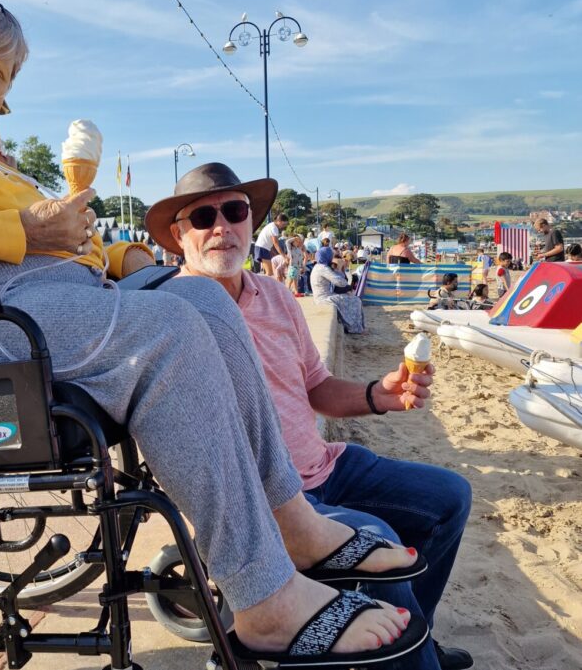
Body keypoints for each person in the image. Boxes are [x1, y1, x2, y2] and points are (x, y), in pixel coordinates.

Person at [0, 0, 417, 664]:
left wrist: (125, 257)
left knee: (206, 305)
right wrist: (19, 227)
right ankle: (264, 601)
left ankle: (293, 522)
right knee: (164, 332)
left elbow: (51, 241)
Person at [145, 162, 473, 670]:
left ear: (251, 222)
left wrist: (377, 393)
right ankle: (408, 656)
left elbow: (315, 388)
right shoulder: (170, 315)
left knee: (449, 497)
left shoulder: (276, 295)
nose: (221, 227)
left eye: (235, 211)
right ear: (177, 234)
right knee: (376, 540)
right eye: (203, 216)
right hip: (263, 501)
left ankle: (415, 643)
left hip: (326, 467)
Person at [309, 245, 366, 333]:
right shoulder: (323, 268)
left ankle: (351, 326)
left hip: (323, 296)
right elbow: (339, 281)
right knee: (356, 300)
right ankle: (354, 328)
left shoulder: (318, 267)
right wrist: (349, 286)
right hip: (324, 298)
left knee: (350, 298)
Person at [253, 213, 289, 278]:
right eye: (283, 224)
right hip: (262, 248)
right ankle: (262, 286)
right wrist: (284, 256)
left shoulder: (271, 225)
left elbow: (272, 244)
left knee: (267, 272)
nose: (284, 226)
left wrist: (276, 253)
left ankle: (261, 285)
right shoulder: (274, 228)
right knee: (269, 273)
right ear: (279, 221)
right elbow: (276, 243)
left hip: (262, 248)